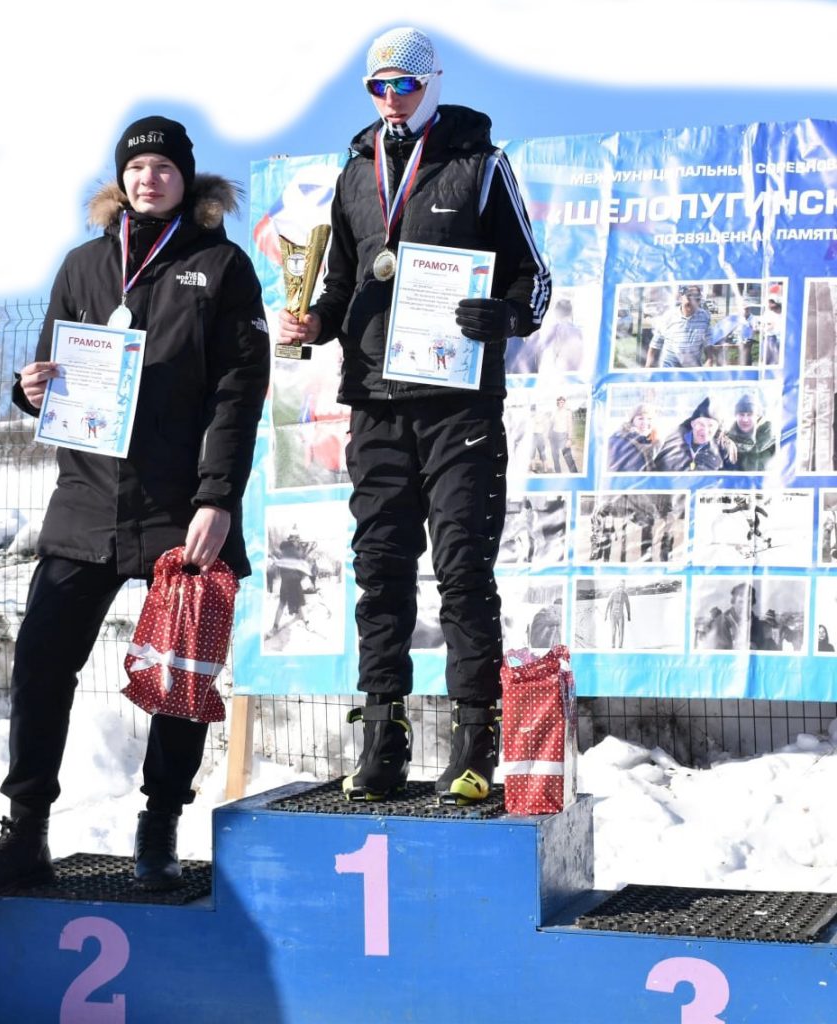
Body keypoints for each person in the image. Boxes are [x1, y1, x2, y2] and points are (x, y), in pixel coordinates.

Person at [0, 116, 270, 897]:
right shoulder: (84, 263)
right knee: (40, 663)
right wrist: (29, 391)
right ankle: (25, 830)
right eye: (136, 167)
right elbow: (51, 370)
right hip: (87, 498)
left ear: (185, 178)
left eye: (163, 167)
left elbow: (238, 395)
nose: (148, 178)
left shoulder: (221, 265)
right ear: (120, 180)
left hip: (180, 506)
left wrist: (216, 499)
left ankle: (158, 828)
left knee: (181, 675)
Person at [278, 26, 552, 806]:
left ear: (433, 83)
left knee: (462, 570)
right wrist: (312, 322)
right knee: (380, 571)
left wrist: (504, 316)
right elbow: (339, 286)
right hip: (374, 401)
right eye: (379, 86)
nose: (392, 98)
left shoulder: (480, 164)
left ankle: (473, 739)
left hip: (457, 403)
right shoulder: (353, 173)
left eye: (405, 83)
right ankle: (382, 736)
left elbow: (532, 279)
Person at [654, 396, 736, 472]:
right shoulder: (672, 442)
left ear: (717, 428)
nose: (705, 430)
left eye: (710, 425)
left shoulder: (725, 448)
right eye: (700, 424)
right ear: (692, 423)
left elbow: (734, 477)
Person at [645, 285, 711, 368]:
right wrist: (647, 368)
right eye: (689, 298)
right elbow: (654, 346)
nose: (693, 303)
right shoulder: (668, 317)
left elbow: (709, 345)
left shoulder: (704, 317)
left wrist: (710, 361)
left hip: (693, 370)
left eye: (697, 299)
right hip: (669, 369)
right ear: (681, 297)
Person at [723, 392, 775, 471]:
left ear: (758, 417)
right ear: (736, 415)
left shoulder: (773, 442)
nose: (745, 419)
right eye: (741, 414)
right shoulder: (726, 442)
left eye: (750, 414)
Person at [607, 403, 659, 472]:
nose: (645, 422)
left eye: (649, 419)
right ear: (632, 421)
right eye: (640, 418)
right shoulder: (621, 441)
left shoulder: (656, 442)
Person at [549, 396, 579, 474]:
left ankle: (575, 475)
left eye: (562, 402)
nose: (561, 403)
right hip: (554, 436)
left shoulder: (567, 412)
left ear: (565, 403)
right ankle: (558, 474)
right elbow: (551, 423)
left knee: (568, 458)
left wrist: (569, 439)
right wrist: (549, 435)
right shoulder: (554, 411)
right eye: (559, 402)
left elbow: (570, 425)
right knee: (555, 458)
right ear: (557, 403)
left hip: (563, 436)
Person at [604, 580, 631, 648]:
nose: (622, 588)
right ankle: (613, 645)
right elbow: (608, 604)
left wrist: (629, 615)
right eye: (621, 586)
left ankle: (620, 646)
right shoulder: (613, 593)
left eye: (623, 586)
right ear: (618, 586)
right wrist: (605, 614)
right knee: (613, 631)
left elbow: (627, 605)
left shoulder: (625, 595)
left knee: (621, 631)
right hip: (613, 615)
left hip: (620, 615)